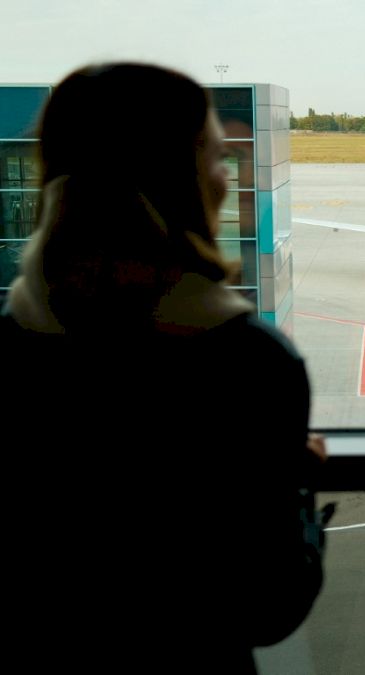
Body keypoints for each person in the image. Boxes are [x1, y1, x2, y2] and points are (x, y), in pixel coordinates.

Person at [0, 63, 329, 674]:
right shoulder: (248, 363)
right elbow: (270, 607)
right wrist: (294, 489)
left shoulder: (11, 347)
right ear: (181, 181)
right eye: (215, 156)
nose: (227, 177)